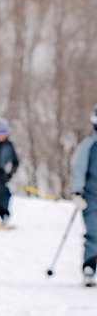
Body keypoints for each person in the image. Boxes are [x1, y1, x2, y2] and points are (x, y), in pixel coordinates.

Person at [69, 102, 97, 285]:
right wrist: (76, 192)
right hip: (92, 196)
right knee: (94, 232)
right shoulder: (89, 145)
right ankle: (89, 267)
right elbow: (79, 169)